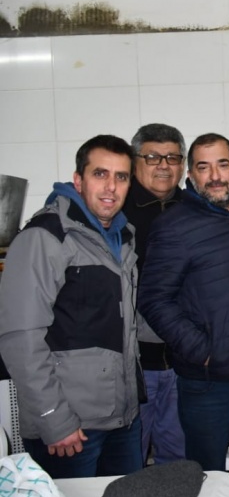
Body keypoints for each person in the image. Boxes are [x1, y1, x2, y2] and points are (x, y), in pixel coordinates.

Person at [138, 133, 229, 497]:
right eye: (203, 167)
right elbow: (153, 299)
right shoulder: (173, 225)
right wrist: (202, 350)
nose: (215, 176)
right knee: (208, 480)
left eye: (222, 164)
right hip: (207, 385)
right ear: (191, 175)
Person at [0, 135, 142, 478]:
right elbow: (20, 338)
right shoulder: (46, 236)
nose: (111, 187)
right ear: (78, 180)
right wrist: (54, 419)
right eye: (100, 174)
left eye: (121, 177)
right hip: (70, 429)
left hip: (121, 421)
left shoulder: (122, 237)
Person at [123, 123, 187, 465]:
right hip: (132, 366)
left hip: (185, 363)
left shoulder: (194, 209)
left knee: (178, 461)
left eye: (172, 157)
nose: (163, 165)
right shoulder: (116, 211)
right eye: (152, 157)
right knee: (128, 463)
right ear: (135, 161)